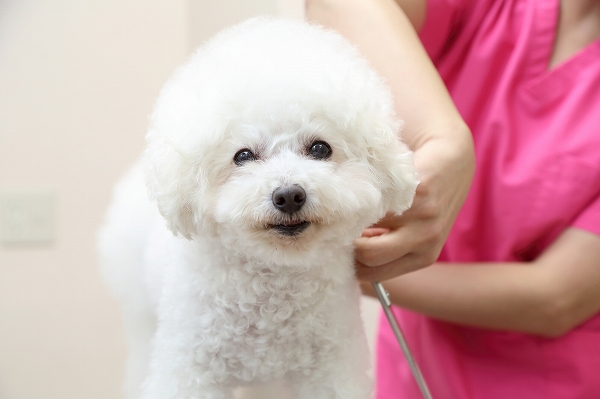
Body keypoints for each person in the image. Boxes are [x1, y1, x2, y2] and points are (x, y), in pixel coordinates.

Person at [307, 0, 600, 398]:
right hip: (413, 372)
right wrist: (445, 141)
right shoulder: (493, 10)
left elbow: (556, 297)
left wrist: (331, 262)